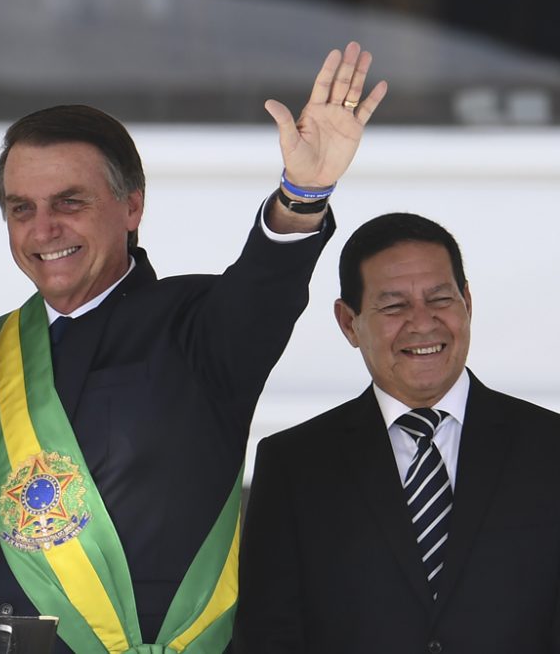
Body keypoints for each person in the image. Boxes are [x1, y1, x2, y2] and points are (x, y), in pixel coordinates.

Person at [0, 41, 384, 651]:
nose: (43, 229)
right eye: (20, 208)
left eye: (69, 203)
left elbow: (266, 283)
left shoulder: (200, 329)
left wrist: (303, 195)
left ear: (132, 205)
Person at [233, 213, 560, 654]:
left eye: (440, 299)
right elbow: (268, 638)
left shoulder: (549, 448)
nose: (422, 323)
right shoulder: (294, 465)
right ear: (349, 322)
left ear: (467, 301)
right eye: (393, 306)